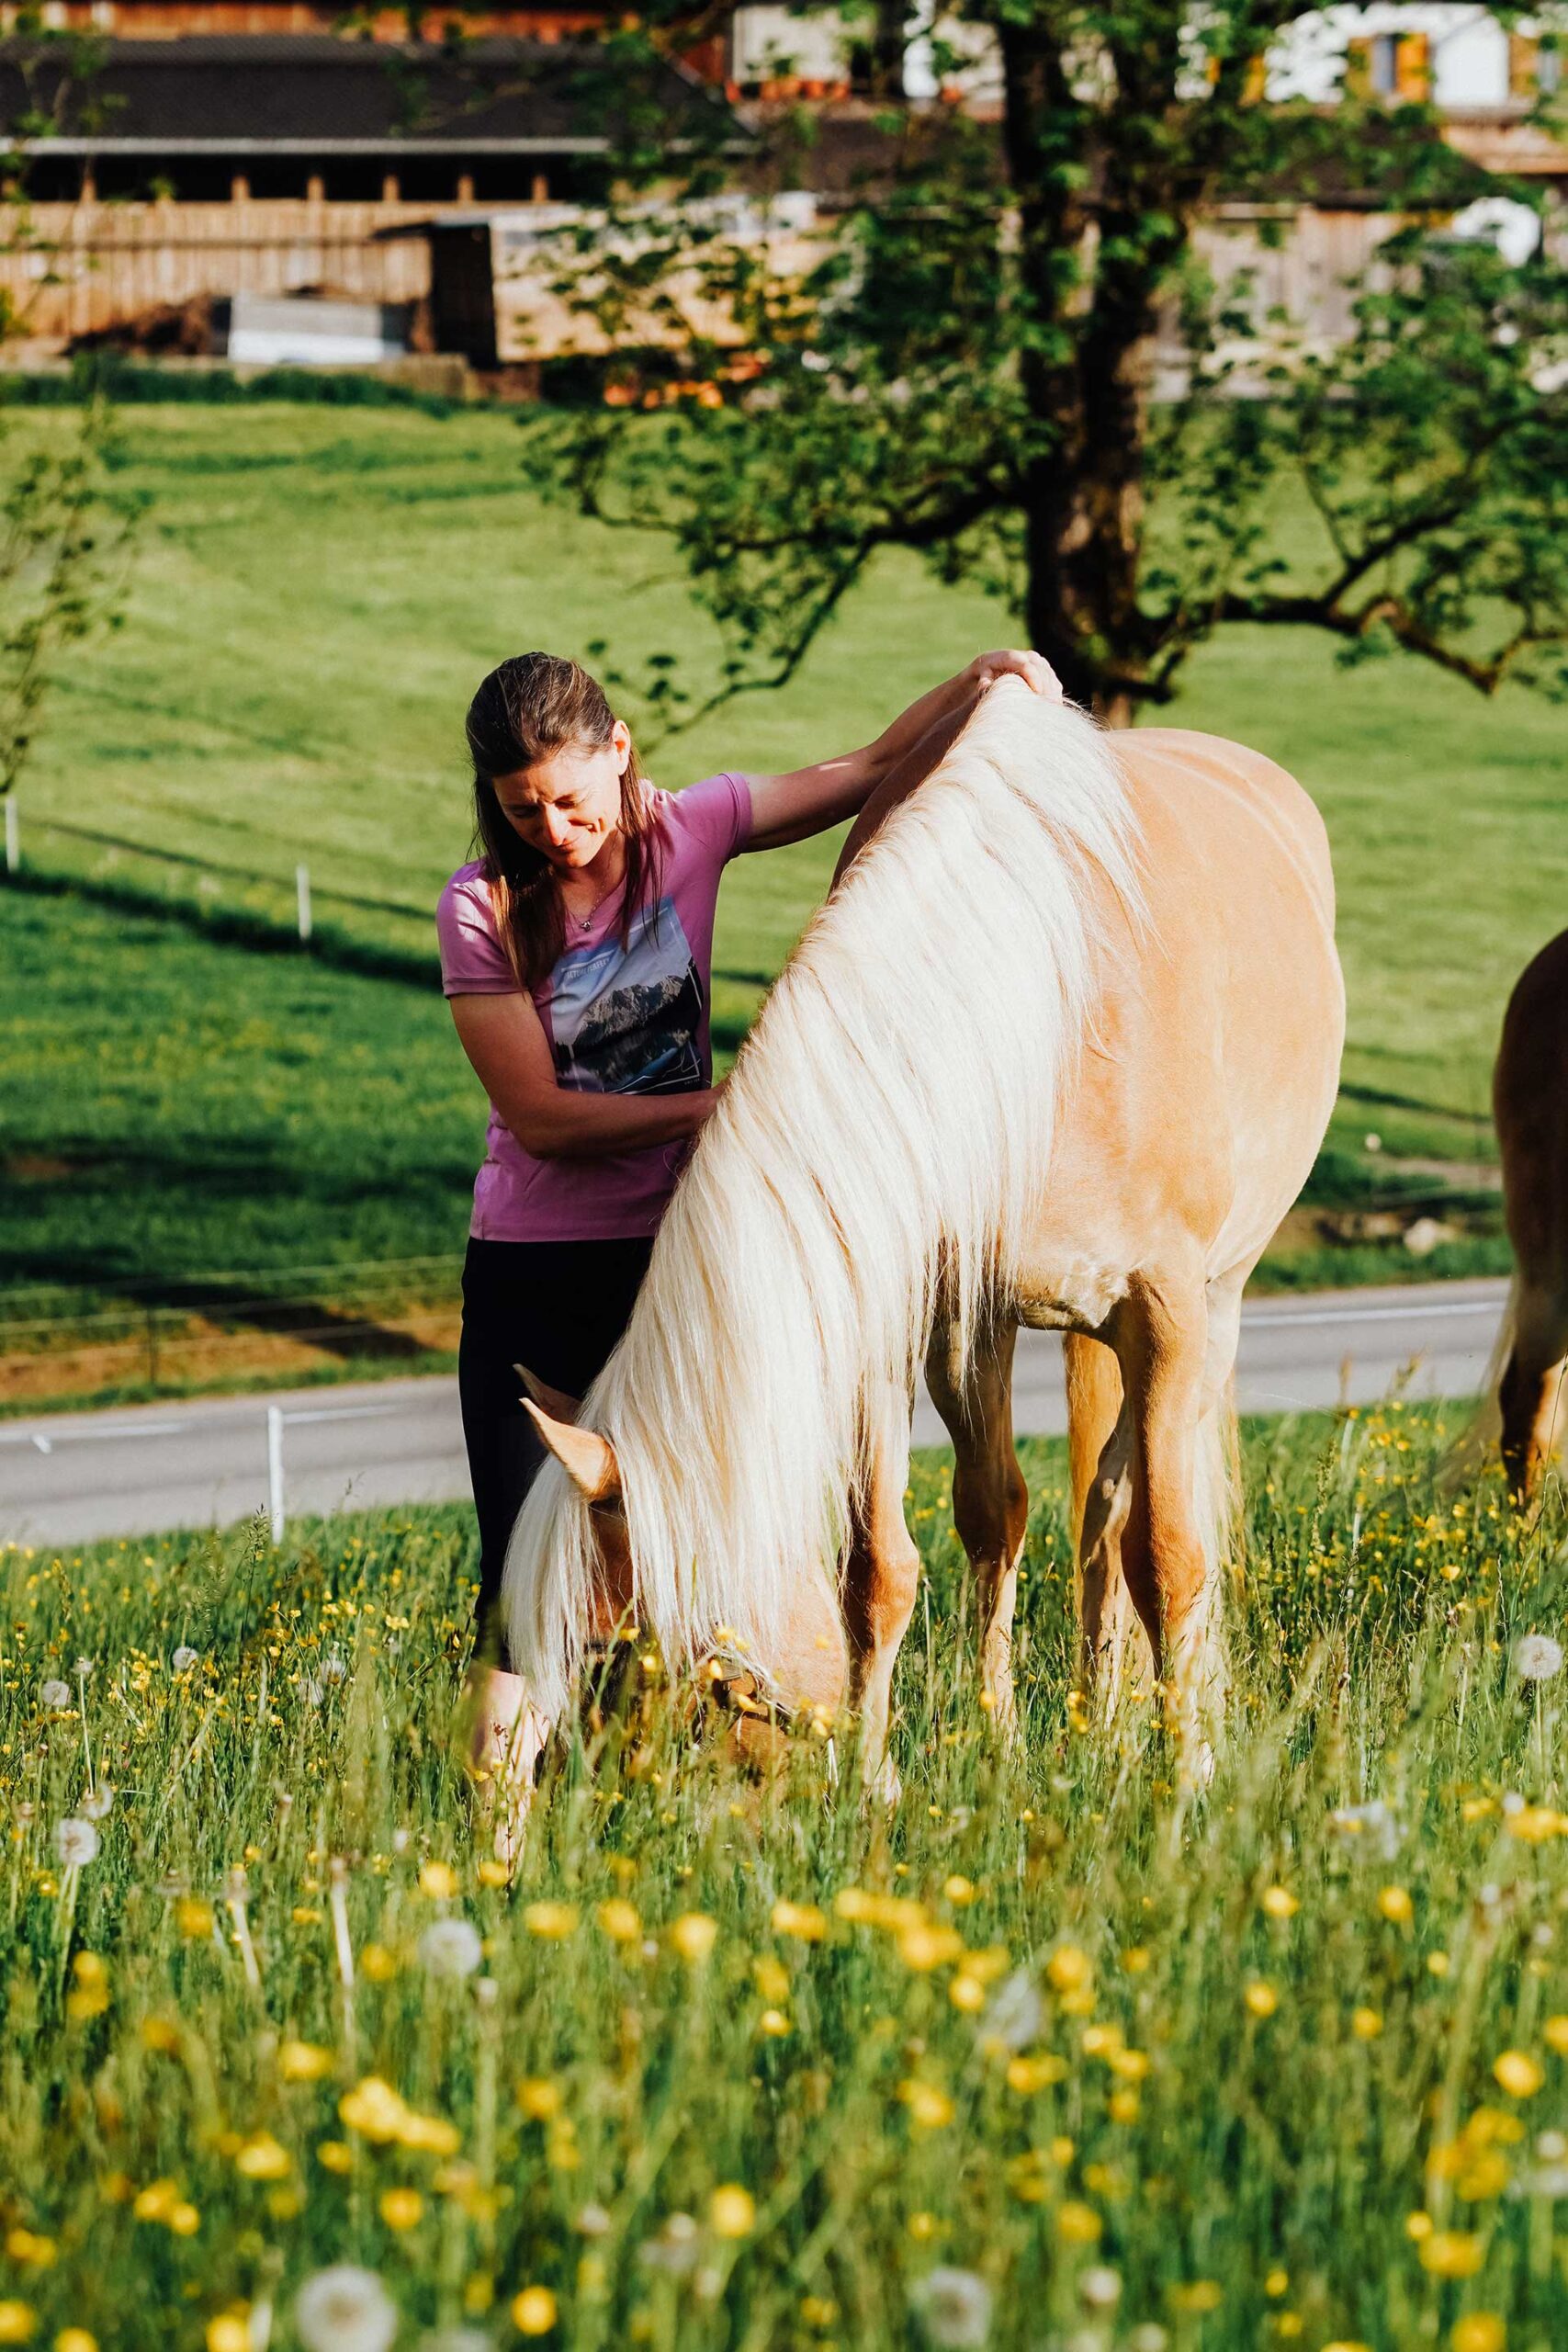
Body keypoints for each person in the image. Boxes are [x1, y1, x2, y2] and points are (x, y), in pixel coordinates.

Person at [438, 644, 1062, 1814]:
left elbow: (866, 767)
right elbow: (544, 1119)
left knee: (708, 1558)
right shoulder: (481, 909)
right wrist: (725, 1107)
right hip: (534, 1274)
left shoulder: (694, 830)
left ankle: (678, 1789)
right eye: (522, 810)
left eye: (569, 800)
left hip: (679, 1264)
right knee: (525, 1593)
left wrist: (980, 685)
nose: (552, 831)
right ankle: (492, 1845)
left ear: (620, 754)